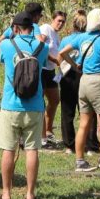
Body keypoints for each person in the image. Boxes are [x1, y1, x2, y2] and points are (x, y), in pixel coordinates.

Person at [0, 11, 49, 199]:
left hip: (11, 104)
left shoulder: (6, 44)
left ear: (16, 28)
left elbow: (2, 56)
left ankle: (6, 193)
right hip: (35, 105)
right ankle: (30, 194)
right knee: (32, 149)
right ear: (32, 27)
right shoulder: (42, 46)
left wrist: (9, 34)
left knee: (8, 149)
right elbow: (43, 64)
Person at [63, 8, 100, 171]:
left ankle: (79, 160)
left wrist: (75, 65)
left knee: (83, 123)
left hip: (84, 81)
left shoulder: (81, 38)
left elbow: (62, 53)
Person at [55, 10, 92, 154]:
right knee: (87, 111)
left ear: (73, 24)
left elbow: (59, 59)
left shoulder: (65, 40)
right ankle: (88, 144)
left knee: (67, 111)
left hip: (67, 77)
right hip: (84, 75)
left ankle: (69, 144)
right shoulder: (88, 39)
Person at [38, 10, 67, 148]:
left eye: (63, 22)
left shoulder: (56, 35)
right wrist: (53, 59)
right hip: (42, 70)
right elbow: (40, 46)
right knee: (41, 102)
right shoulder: (45, 29)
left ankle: (48, 130)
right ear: (53, 19)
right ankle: (41, 135)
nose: (60, 23)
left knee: (55, 100)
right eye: (59, 20)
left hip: (51, 71)